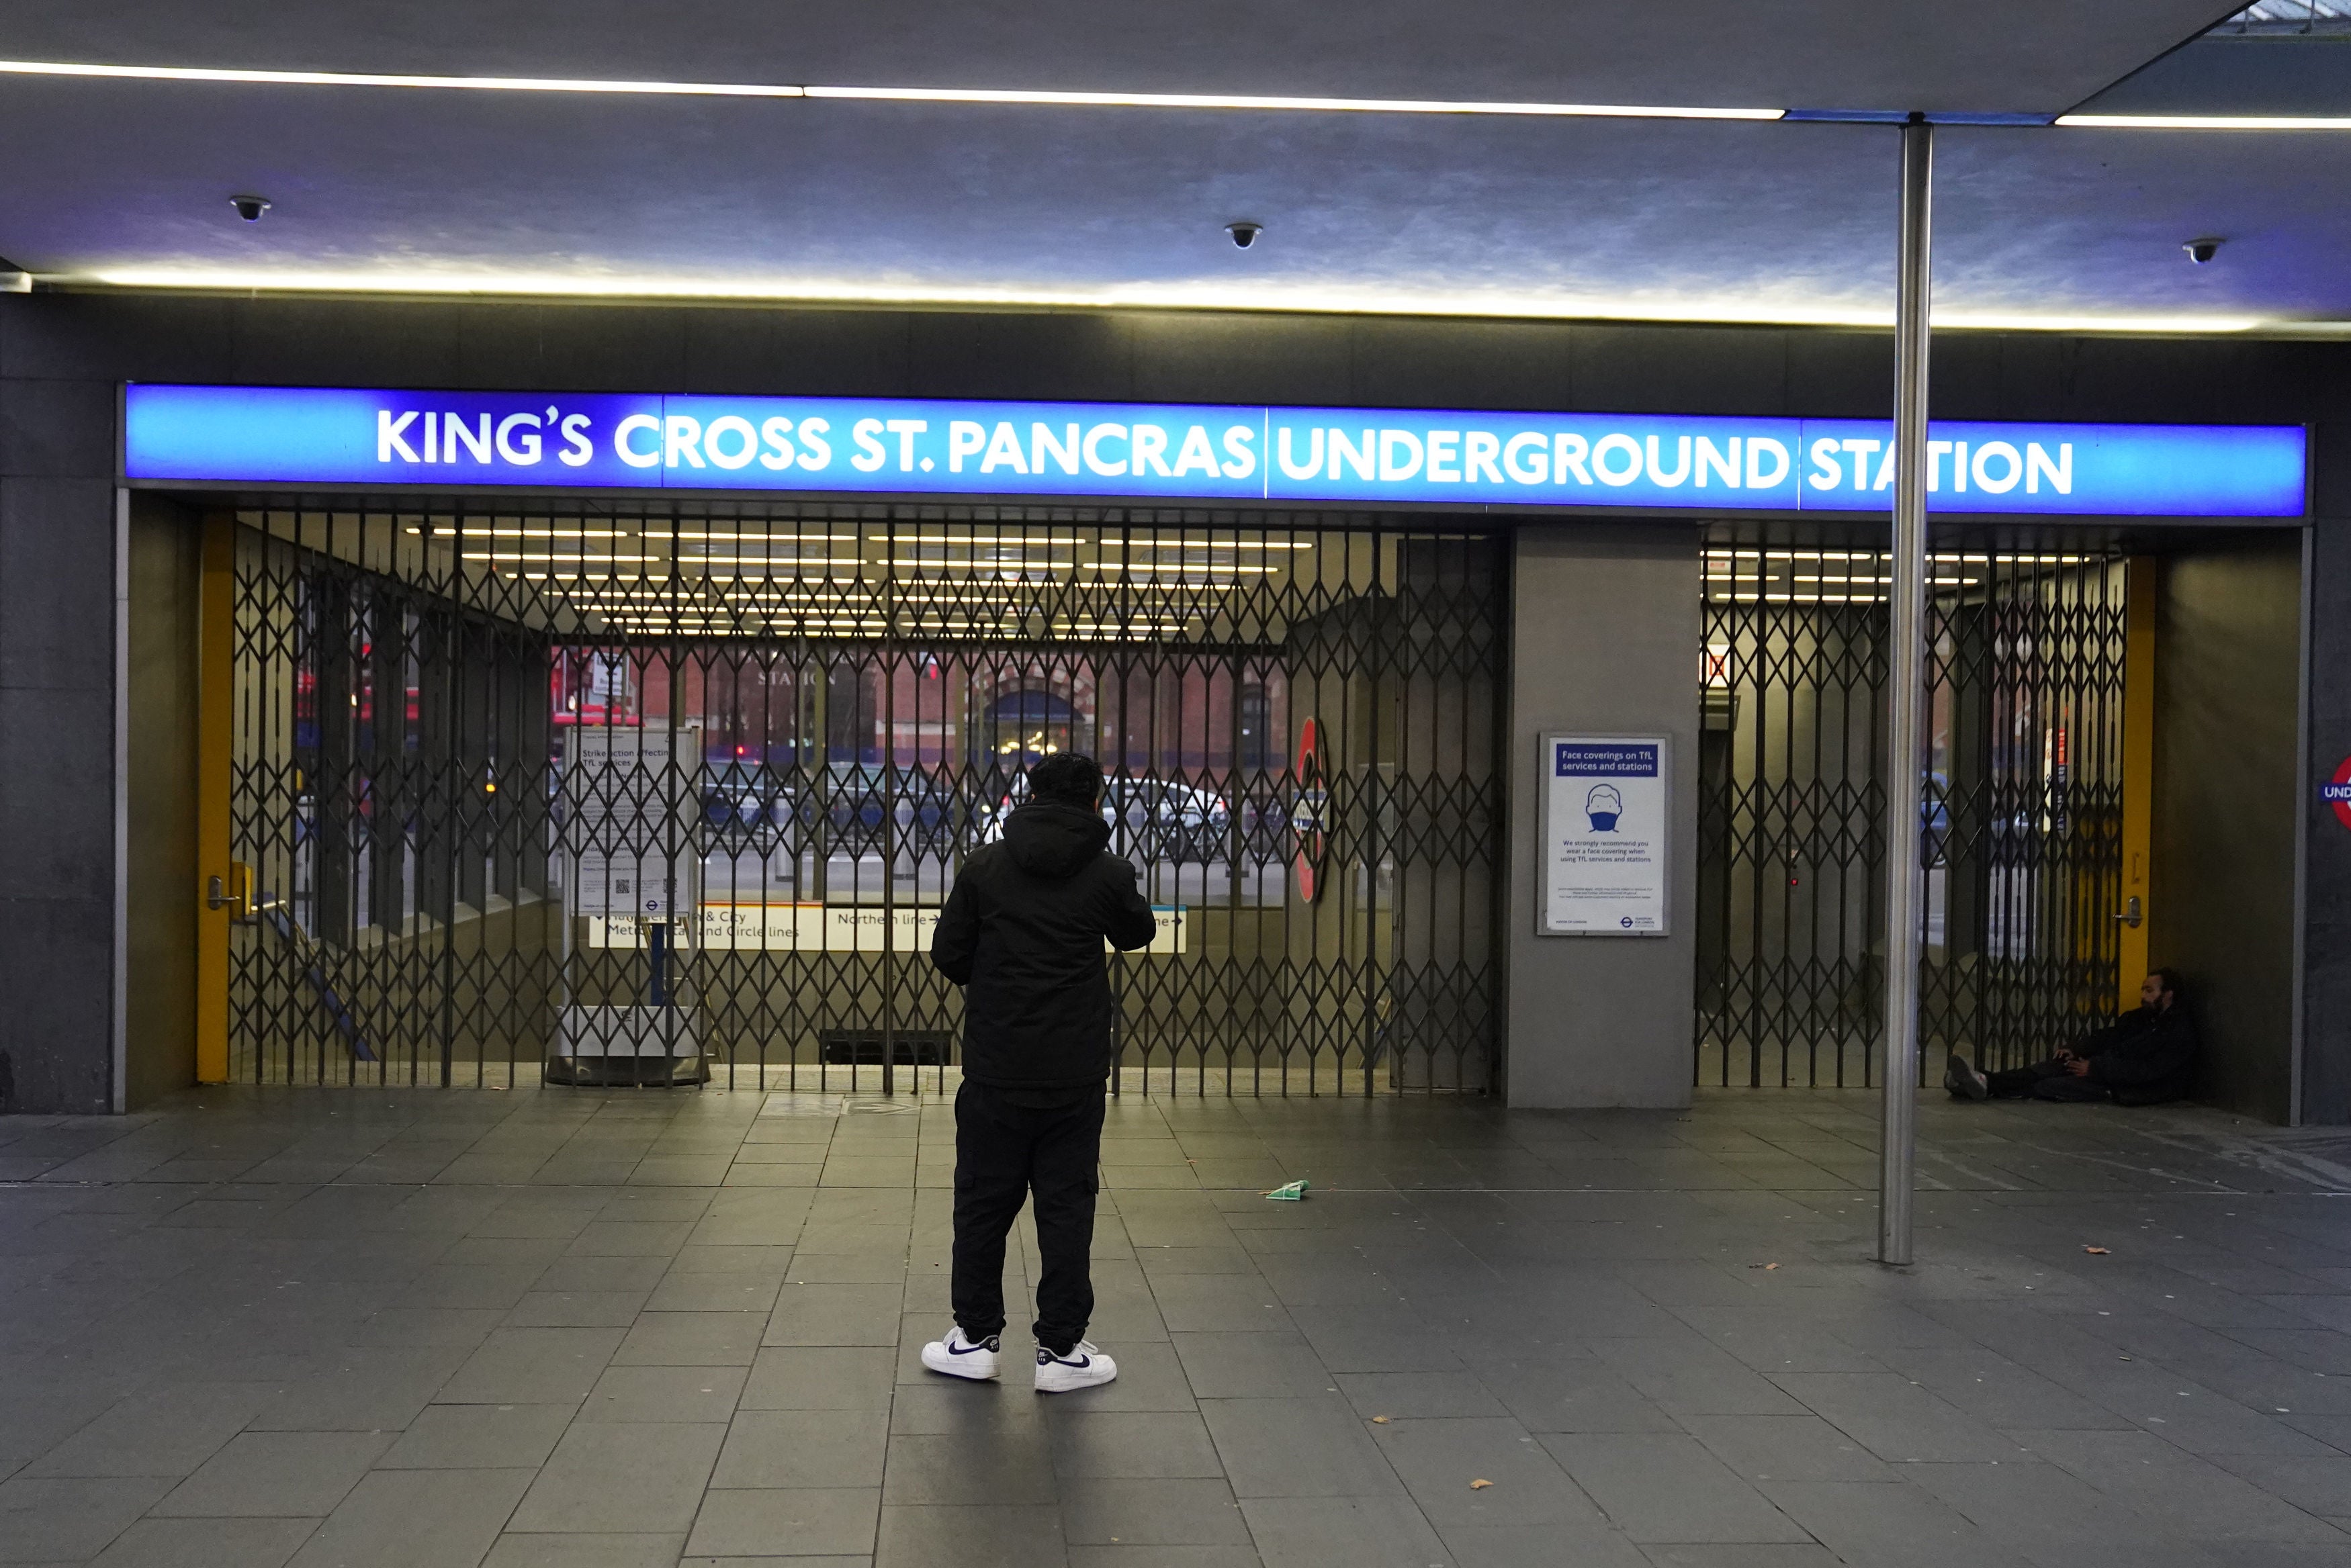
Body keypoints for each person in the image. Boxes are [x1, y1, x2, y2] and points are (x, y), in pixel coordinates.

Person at [922, 751, 1159, 1392]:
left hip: (996, 1068)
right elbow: (1138, 932)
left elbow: (948, 953)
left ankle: (973, 1339)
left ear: (1028, 797)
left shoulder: (985, 866)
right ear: (1093, 802)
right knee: (1066, 1207)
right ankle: (1060, 1351)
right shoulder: (1108, 872)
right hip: (1073, 1074)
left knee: (981, 1202)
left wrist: (999, 976)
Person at [1945, 969, 2197, 1106]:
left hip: (2129, 1088)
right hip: (2104, 1070)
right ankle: (1982, 1082)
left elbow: (2149, 1071)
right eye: (2143, 989)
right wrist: (2077, 1049)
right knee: (2053, 1066)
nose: (2143, 995)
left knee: (2050, 1086)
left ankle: (1980, 1086)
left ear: (2168, 995)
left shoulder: (2178, 1032)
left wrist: (2096, 1069)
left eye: (2149, 990)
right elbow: (2108, 1037)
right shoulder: (2139, 1018)